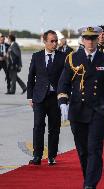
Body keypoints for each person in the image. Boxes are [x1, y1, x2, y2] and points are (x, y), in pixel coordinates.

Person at [57, 26, 104, 189]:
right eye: (87, 38)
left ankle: (89, 185)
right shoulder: (72, 58)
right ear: (82, 40)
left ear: (98, 39)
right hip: (77, 110)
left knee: (94, 148)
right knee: (83, 151)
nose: (90, 41)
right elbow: (63, 83)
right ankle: (89, 180)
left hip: (97, 110)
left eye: (93, 38)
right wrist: (63, 102)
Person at [27, 30, 65, 165]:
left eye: (56, 41)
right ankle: (37, 155)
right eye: (52, 41)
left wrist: (65, 97)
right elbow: (31, 77)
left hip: (55, 98)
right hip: (39, 98)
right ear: (45, 41)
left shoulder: (63, 57)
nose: (55, 43)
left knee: (54, 128)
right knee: (38, 126)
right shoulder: (36, 56)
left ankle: (52, 156)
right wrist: (29, 97)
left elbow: (66, 79)